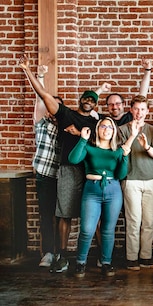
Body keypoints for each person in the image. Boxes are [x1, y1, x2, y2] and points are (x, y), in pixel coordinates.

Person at [19, 55, 100, 274]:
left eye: (93, 100)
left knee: (95, 215)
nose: (89, 101)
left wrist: (82, 136)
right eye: (86, 98)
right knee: (64, 213)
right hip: (67, 170)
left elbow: (105, 143)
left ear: (95, 105)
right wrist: (29, 71)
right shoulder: (66, 115)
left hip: (90, 171)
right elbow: (43, 95)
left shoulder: (97, 122)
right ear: (81, 100)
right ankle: (62, 256)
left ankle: (102, 256)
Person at [69, 118, 137, 277]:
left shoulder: (118, 150)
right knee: (87, 229)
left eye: (110, 127)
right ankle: (80, 262)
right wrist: (83, 139)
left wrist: (125, 157)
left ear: (114, 131)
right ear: (98, 129)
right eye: (103, 126)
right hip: (92, 190)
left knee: (107, 230)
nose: (107, 129)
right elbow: (73, 159)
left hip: (113, 190)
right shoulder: (89, 147)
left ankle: (106, 262)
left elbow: (121, 174)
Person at [118, 95, 153, 271]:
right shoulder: (122, 129)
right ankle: (131, 258)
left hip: (151, 180)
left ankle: (146, 257)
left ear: (147, 111)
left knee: (148, 222)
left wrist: (146, 146)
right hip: (131, 180)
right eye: (136, 109)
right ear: (131, 110)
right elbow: (121, 153)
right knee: (134, 221)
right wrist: (134, 135)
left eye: (142, 109)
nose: (139, 112)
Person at [26, 64, 62, 267]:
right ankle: (47, 252)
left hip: (63, 176)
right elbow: (40, 99)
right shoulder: (41, 124)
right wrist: (40, 76)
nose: (51, 109)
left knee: (61, 216)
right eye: (50, 106)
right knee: (46, 215)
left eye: (55, 106)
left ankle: (60, 252)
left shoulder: (66, 126)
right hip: (45, 176)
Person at [100, 59, 152, 126]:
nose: (114, 106)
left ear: (123, 104)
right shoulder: (105, 121)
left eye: (118, 103)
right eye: (110, 104)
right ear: (107, 106)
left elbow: (142, 95)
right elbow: (87, 107)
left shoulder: (131, 116)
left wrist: (147, 70)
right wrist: (101, 89)